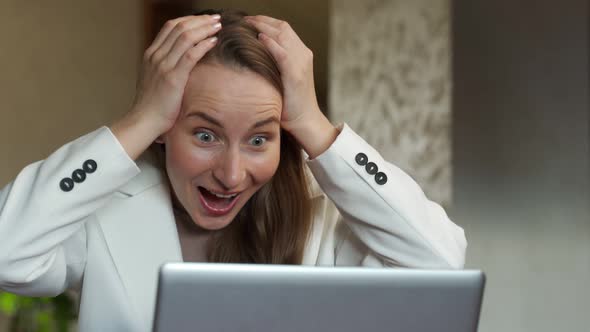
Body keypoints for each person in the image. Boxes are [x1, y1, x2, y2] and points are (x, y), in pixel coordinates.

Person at [0, 9, 466, 331]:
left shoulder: (323, 215)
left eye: (259, 139)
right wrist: (139, 120)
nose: (231, 173)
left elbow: (439, 264)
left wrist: (315, 125)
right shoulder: (105, 210)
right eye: (206, 135)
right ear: (165, 127)